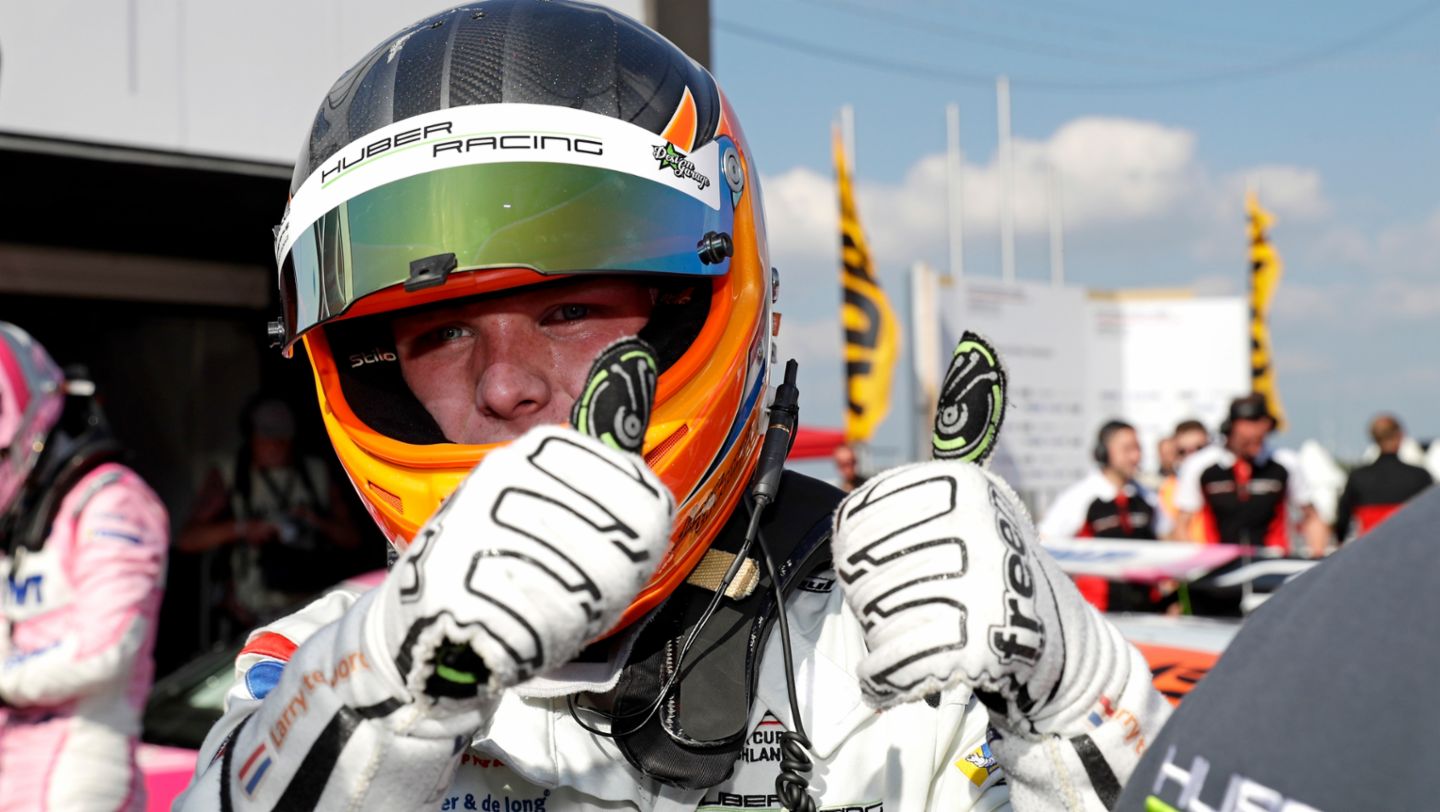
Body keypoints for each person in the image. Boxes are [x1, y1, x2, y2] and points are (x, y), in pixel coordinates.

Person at [177, 3, 1169, 809]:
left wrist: (1080, 700)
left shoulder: (910, 636)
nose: (505, 381)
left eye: (567, 308)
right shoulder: (321, 657)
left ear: (703, 305)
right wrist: (385, 695)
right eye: (440, 333)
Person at [1118, 485, 1440, 810]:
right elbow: (1182, 525)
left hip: (1268, 601)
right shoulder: (1203, 467)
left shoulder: (1284, 472)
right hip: (1207, 601)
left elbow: (1312, 517)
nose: (1259, 431)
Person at [0, 323, 169, 810]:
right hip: (15, 762)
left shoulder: (114, 502)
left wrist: (6, 679)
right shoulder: (25, 518)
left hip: (81, 773)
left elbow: (105, 650)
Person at [178, 396, 359, 634]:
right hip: (252, 615)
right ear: (250, 436)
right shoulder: (232, 474)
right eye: (267, 437)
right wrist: (243, 528)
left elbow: (353, 538)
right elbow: (188, 539)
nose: (275, 445)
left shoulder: (315, 474)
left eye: (282, 438)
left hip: (313, 611)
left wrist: (314, 522)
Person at [1170, 395, 1327, 556]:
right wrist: (1193, 565)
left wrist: (1317, 556)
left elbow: (1311, 516)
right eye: (1248, 440)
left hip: (1272, 565)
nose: (1256, 446)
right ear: (1232, 430)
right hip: (1217, 567)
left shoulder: (1285, 462)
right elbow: (1182, 523)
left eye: (1261, 439)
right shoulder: (1200, 465)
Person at [1039, 420, 1170, 611]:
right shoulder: (1081, 497)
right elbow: (1044, 543)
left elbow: (1169, 537)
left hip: (1146, 611)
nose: (1135, 456)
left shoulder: (1146, 497)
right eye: (1127, 449)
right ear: (1104, 452)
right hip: (1097, 615)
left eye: (1138, 449)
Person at [1332, 413, 1432, 542]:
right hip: (1410, 549)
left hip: (1370, 550)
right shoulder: (1420, 476)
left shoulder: (1358, 477)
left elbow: (1342, 523)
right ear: (1400, 436)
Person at [1156, 419, 1209, 541]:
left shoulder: (1226, 482)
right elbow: (1165, 534)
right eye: (1183, 451)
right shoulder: (1167, 490)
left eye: (1199, 449)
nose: (1192, 458)